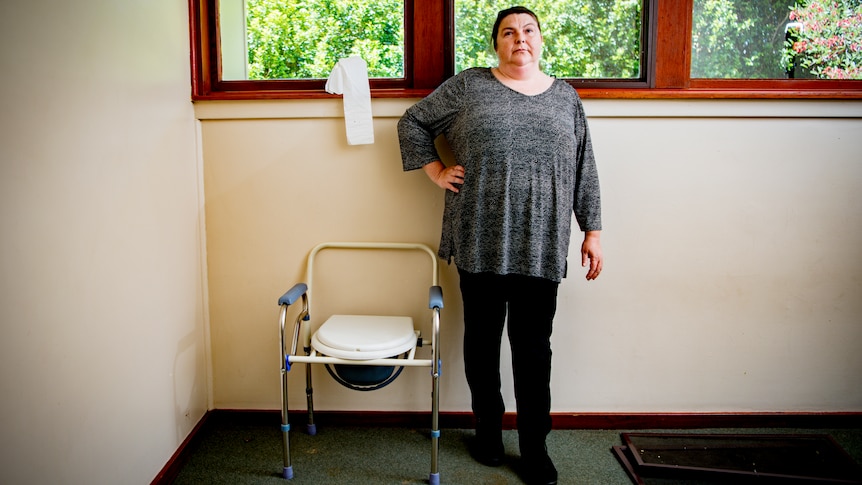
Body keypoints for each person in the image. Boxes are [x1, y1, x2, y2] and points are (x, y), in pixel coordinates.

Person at [397, 6, 602, 485]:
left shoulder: (565, 98)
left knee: (534, 352)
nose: (520, 38)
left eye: (528, 30)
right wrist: (436, 172)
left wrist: (592, 230)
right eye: (508, 32)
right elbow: (412, 123)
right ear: (497, 44)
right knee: (482, 345)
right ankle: (487, 431)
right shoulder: (469, 86)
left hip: (541, 243)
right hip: (479, 239)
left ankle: (535, 448)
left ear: (541, 39)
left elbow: (584, 166)